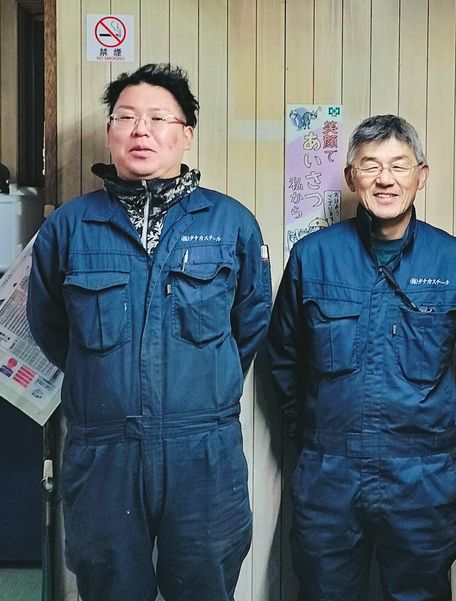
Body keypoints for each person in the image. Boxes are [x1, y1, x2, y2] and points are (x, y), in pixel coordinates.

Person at [27, 63, 271, 601]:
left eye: (159, 118)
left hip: (203, 451)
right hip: (103, 449)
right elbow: (50, 325)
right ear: (109, 131)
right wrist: (105, 378)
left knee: (205, 584)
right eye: (127, 118)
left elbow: (249, 322)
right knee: (108, 585)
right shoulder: (69, 227)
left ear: (186, 133)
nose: (141, 130)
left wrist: (202, 383)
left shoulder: (230, 223)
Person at [265, 114, 456, 600]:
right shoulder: (313, 257)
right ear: (350, 177)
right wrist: (309, 435)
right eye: (371, 165)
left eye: (399, 165)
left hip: (422, 476)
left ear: (421, 176)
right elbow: (282, 357)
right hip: (329, 475)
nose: (385, 179)